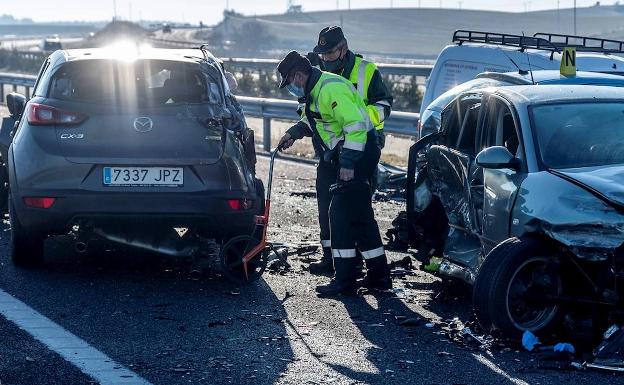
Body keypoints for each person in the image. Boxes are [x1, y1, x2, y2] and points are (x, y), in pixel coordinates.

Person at [276, 51, 391, 296]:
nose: (290, 88)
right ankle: (379, 277)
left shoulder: (330, 89)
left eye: (289, 83)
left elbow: (356, 127)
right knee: (361, 215)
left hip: (358, 153)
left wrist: (348, 164)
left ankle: (345, 281)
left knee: (338, 214)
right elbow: (316, 121)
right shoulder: (314, 91)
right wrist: (294, 133)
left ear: (298, 75)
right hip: (351, 152)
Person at [305, 26, 393, 275]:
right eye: (321, 54)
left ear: (343, 48)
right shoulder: (319, 72)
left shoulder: (366, 70)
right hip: (329, 152)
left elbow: (385, 104)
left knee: (354, 209)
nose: (325, 59)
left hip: (360, 151)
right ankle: (331, 259)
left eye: (330, 53)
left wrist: (361, 119)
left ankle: (355, 263)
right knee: (327, 206)